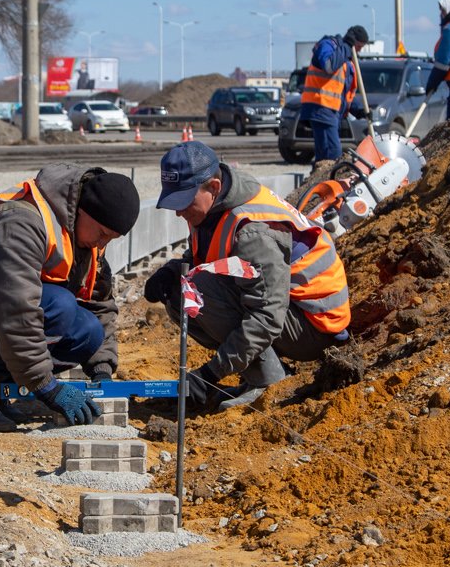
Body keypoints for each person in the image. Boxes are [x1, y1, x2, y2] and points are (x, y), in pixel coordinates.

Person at [0, 165, 140, 433]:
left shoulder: (83, 234)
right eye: (101, 234)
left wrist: (102, 370)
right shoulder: (20, 221)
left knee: (87, 332)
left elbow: (99, 304)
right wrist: (47, 387)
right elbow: (17, 314)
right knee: (60, 308)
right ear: (83, 210)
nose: (102, 244)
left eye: (111, 239)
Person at [144, 141, 351, 412]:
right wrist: (173, 269)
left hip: (314, 325)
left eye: (184, 201)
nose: (178, 211)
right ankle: (260, 372)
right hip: (289, 311)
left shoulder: (252, 231)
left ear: (214, 187)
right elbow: (211, 256)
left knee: (195, 291)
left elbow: (267, 316)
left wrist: (210, 375)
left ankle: (269, 382)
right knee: (180, 289)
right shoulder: (216, 206)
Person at [298, 24, 371, 171]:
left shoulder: (346, 58)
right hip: (320, 106)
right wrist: (346, 47)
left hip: (331, 111)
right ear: (351, 41)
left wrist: (359, 111)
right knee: (332, 154)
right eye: (358, 46)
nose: (359, 51)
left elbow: (342, 93)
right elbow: (328, 66)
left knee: (327, 157)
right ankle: (327, 187)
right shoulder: (328, 45)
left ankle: (321, 185)